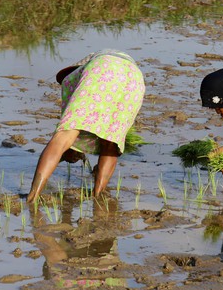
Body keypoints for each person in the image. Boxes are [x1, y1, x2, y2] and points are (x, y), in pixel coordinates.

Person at [26, 49, 145, 202]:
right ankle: (98, 197)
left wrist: (71, 151)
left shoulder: (70, 79)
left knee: (63, 137)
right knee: (111, 142)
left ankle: (32, 197)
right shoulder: (125, 67)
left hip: (102, 68)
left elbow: (71, 132)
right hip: (135, 79)